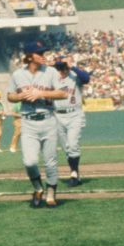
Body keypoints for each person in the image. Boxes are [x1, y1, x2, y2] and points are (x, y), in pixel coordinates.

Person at [7, 42, 68, 208]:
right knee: (29, 161)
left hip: (48, 119)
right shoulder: (18, 75)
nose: (43, 56)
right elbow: (10, 96)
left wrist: (40, 93)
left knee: (50, 161)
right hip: (28, 121)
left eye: (43, 53)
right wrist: (20, 97)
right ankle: (37, 188)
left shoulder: (51, 72)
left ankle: (51, 193)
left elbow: (63, 93)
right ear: (29, 56)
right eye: (39, 53)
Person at [52, 55, 91, 187]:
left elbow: (87, 78)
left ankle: (73, 173)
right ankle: (75, 174)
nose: (62, 69)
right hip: (58, 116)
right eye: (59, 66)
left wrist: (71, 66)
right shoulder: (53, 78)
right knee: (67, 148)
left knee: (73, 144)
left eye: (63, 66)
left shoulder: (74, 76)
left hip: (74, 114)